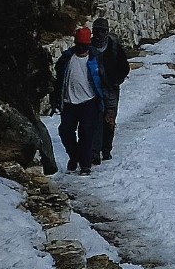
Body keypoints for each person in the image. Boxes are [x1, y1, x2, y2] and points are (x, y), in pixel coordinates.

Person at [52, 27, 104, 175]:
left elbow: (104, 79)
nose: (81, 48)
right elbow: (58, 80)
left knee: (86, 133)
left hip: (89, 101)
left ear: (89, 45)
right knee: (65, 131)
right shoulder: (66, 58)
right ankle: (74, 156)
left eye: (84, 45)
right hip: (69, 102)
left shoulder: (96, 59)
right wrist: (56, 98)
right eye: (79, 44)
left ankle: (85, 165)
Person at [90, 16, 131, 160]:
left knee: (109, 121)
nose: (99, 34)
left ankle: (106, 149)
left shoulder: (114, 47)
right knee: (96, 120)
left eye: (102, 31)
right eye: (97, 31)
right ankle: (95, 152)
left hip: (111, 90)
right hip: (93, 91)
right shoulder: (88, 48)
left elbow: (124, 67)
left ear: (107, 32)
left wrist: (116, 81)